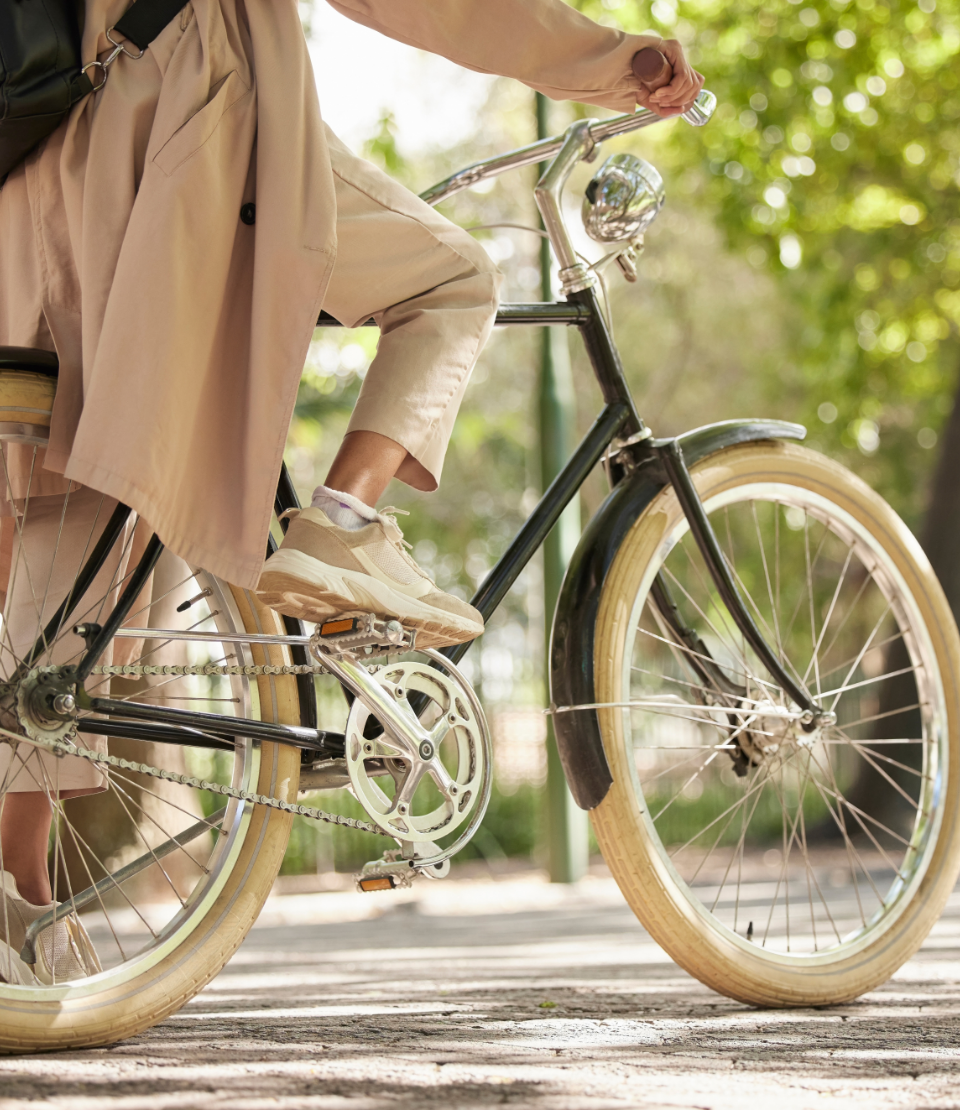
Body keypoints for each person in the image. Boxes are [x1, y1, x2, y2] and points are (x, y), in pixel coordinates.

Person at [0, 0, 703, 974]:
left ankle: (22, 918)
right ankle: (339, 525)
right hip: (187, 110)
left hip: (52, 148)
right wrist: (609, 61)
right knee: (451, 278)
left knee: (65, 510)